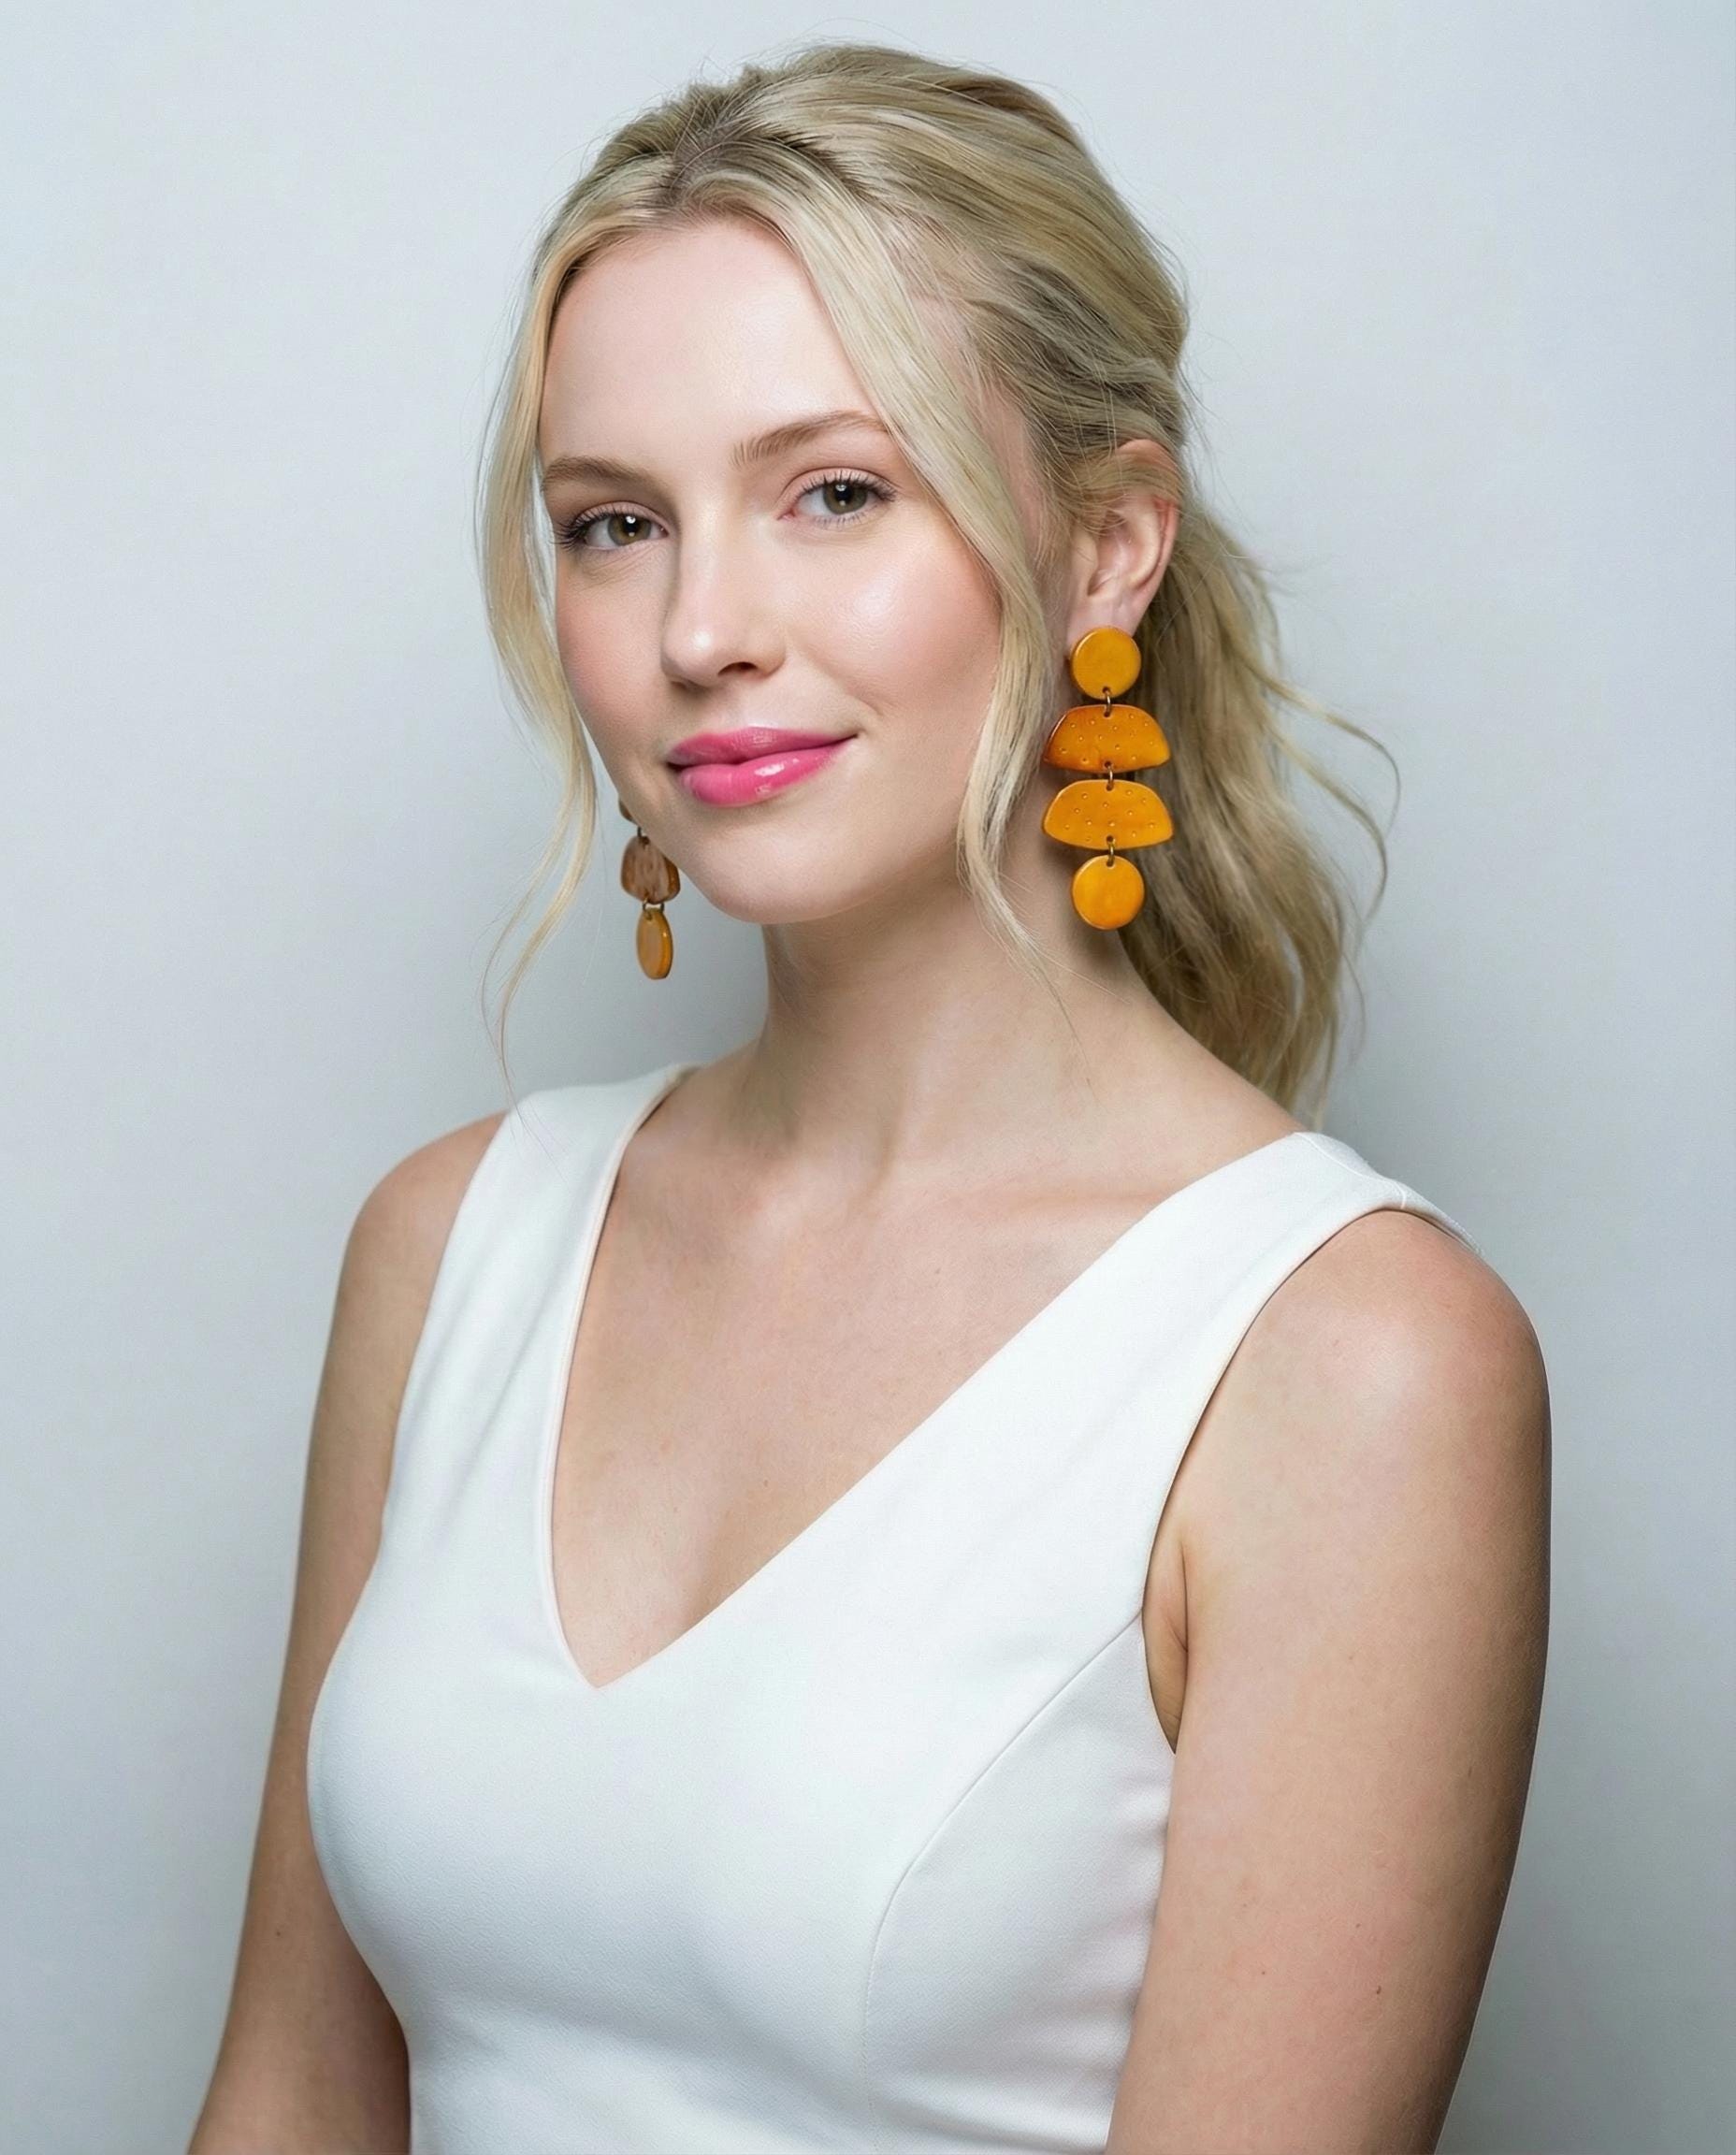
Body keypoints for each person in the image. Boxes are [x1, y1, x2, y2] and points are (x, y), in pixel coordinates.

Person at [190, 39, 1550, 2155]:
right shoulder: (452, 1246)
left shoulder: (1344, 1361)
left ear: (1106, 548)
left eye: (836, 490)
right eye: (613, 524)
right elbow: (287, 2099)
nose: (699, 629)